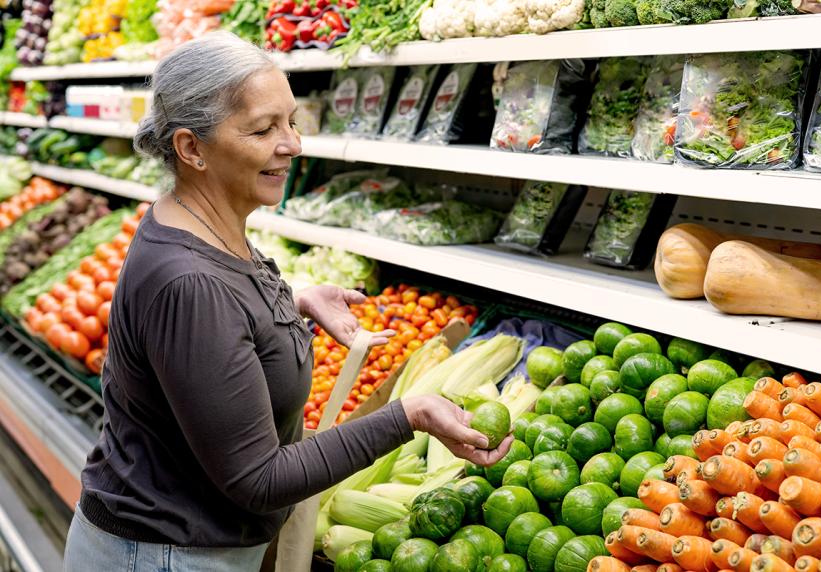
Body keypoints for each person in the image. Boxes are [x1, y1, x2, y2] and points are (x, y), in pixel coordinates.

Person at [62, 32, 512, 572]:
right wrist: (407, 415)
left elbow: (216, 315)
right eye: (263, 129)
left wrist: (292, 301)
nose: (293, 144)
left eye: (292, 121)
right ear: (191, 148)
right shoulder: (189, 282)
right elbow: (259, 479)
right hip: (164, 556)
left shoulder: (201, 220)